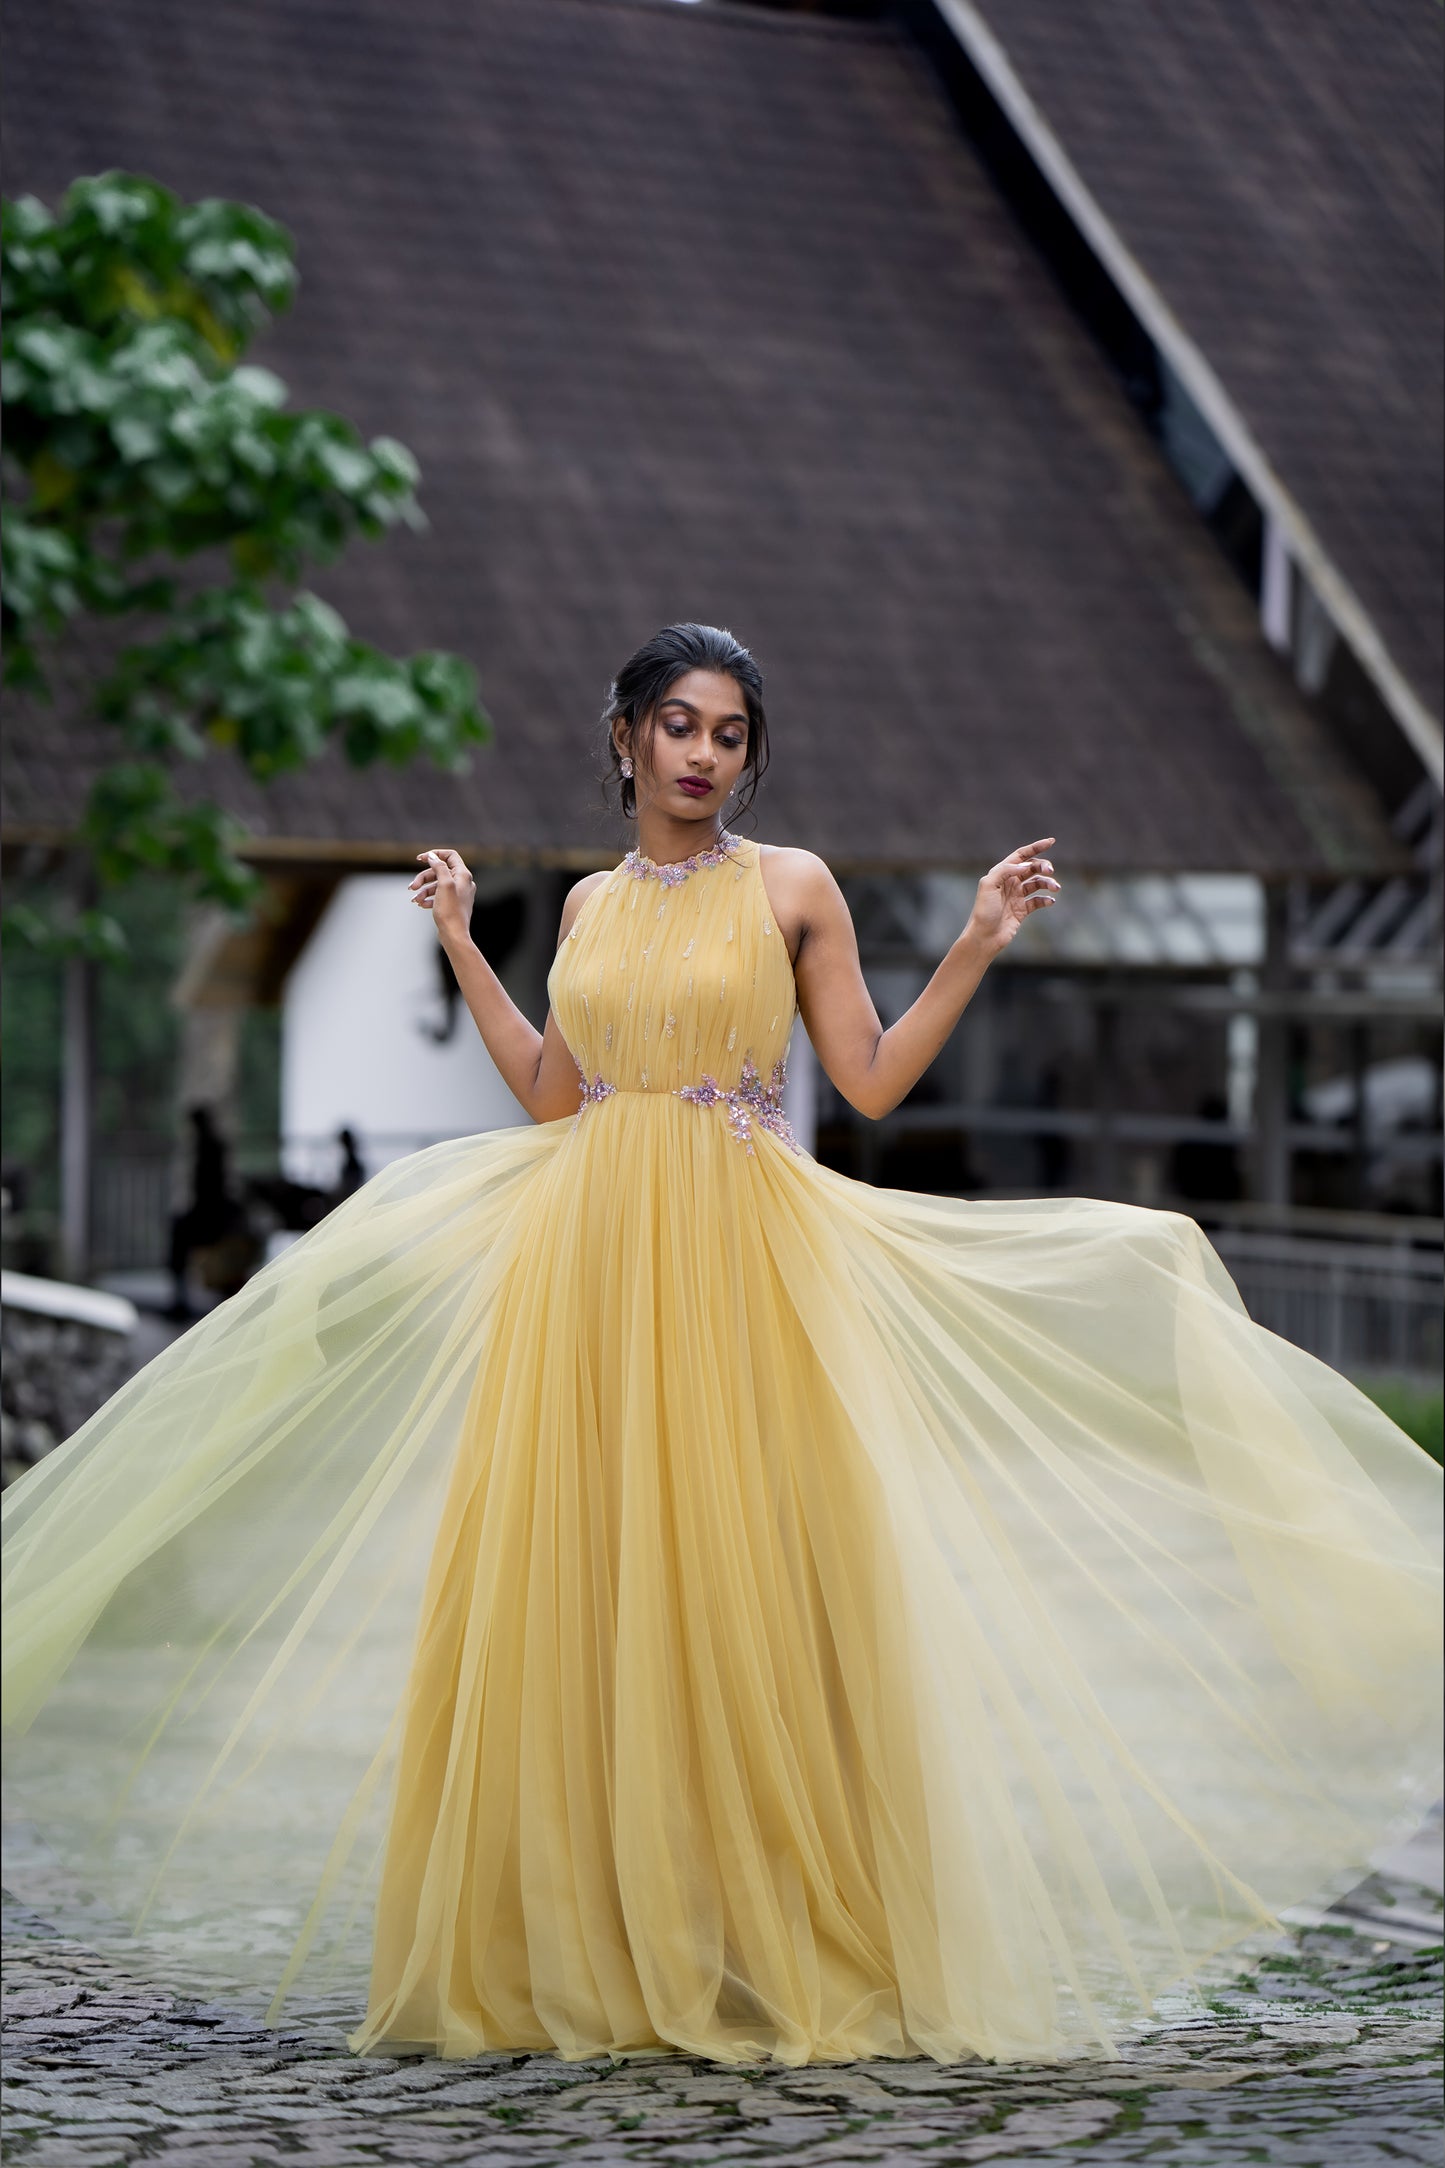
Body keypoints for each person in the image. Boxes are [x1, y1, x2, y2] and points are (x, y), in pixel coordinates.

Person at [1, 625, 1439, 2071]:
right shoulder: (580, 911)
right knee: (589, 1591)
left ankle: (765, 1936)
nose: (701, 755)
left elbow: (869, 1081)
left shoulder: (792, 888)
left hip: (742, 1272)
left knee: (749, 1586)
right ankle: (585, 1938)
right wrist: (454, 939)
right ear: (623, 735)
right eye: (678, 725)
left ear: (749, 755)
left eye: (729, 733)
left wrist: (978, 941)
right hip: (586, 1282)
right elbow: (558, 1101)